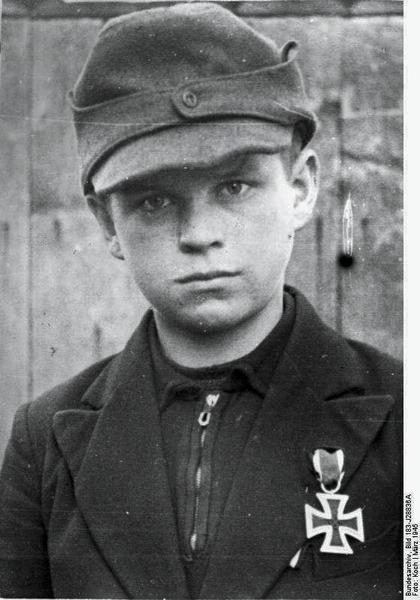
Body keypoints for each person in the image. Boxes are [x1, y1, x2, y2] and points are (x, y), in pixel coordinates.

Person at [0, 3, 402, 599]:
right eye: (154, 202)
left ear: (300, 188)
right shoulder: (46, 442)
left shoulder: (403, 417)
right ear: (107, 223)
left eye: (233, 186)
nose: (198, 233)